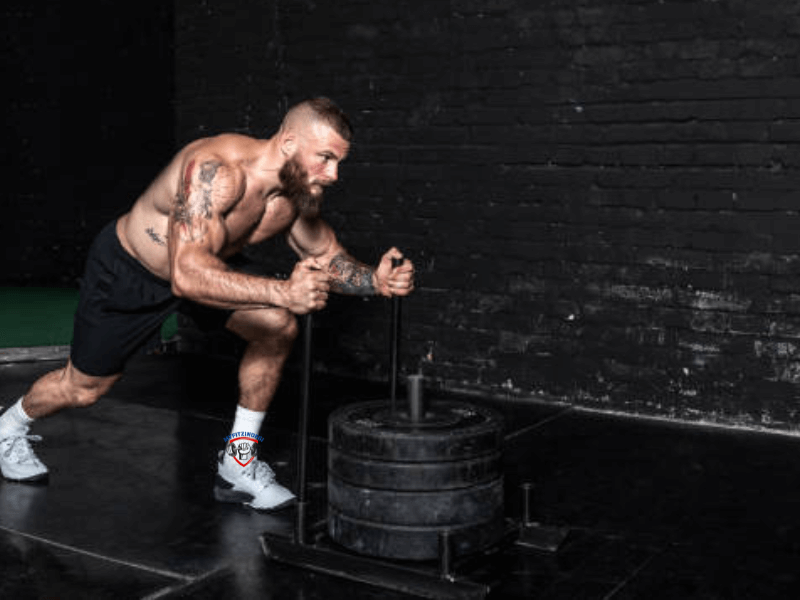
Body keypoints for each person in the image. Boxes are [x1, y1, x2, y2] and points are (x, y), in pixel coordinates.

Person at [0, 97, 415, 511]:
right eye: (325, 158)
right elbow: (185, 276)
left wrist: (373, 281)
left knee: (277, 327)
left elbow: (326, 255)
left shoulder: (297, 192)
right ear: (289, 143)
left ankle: (238, 462)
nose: (334, 174)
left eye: (339, 162)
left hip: (208, 266)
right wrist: (282, 291)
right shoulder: (217, 170)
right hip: (133, 271)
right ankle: (9, 426)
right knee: (83, 389)